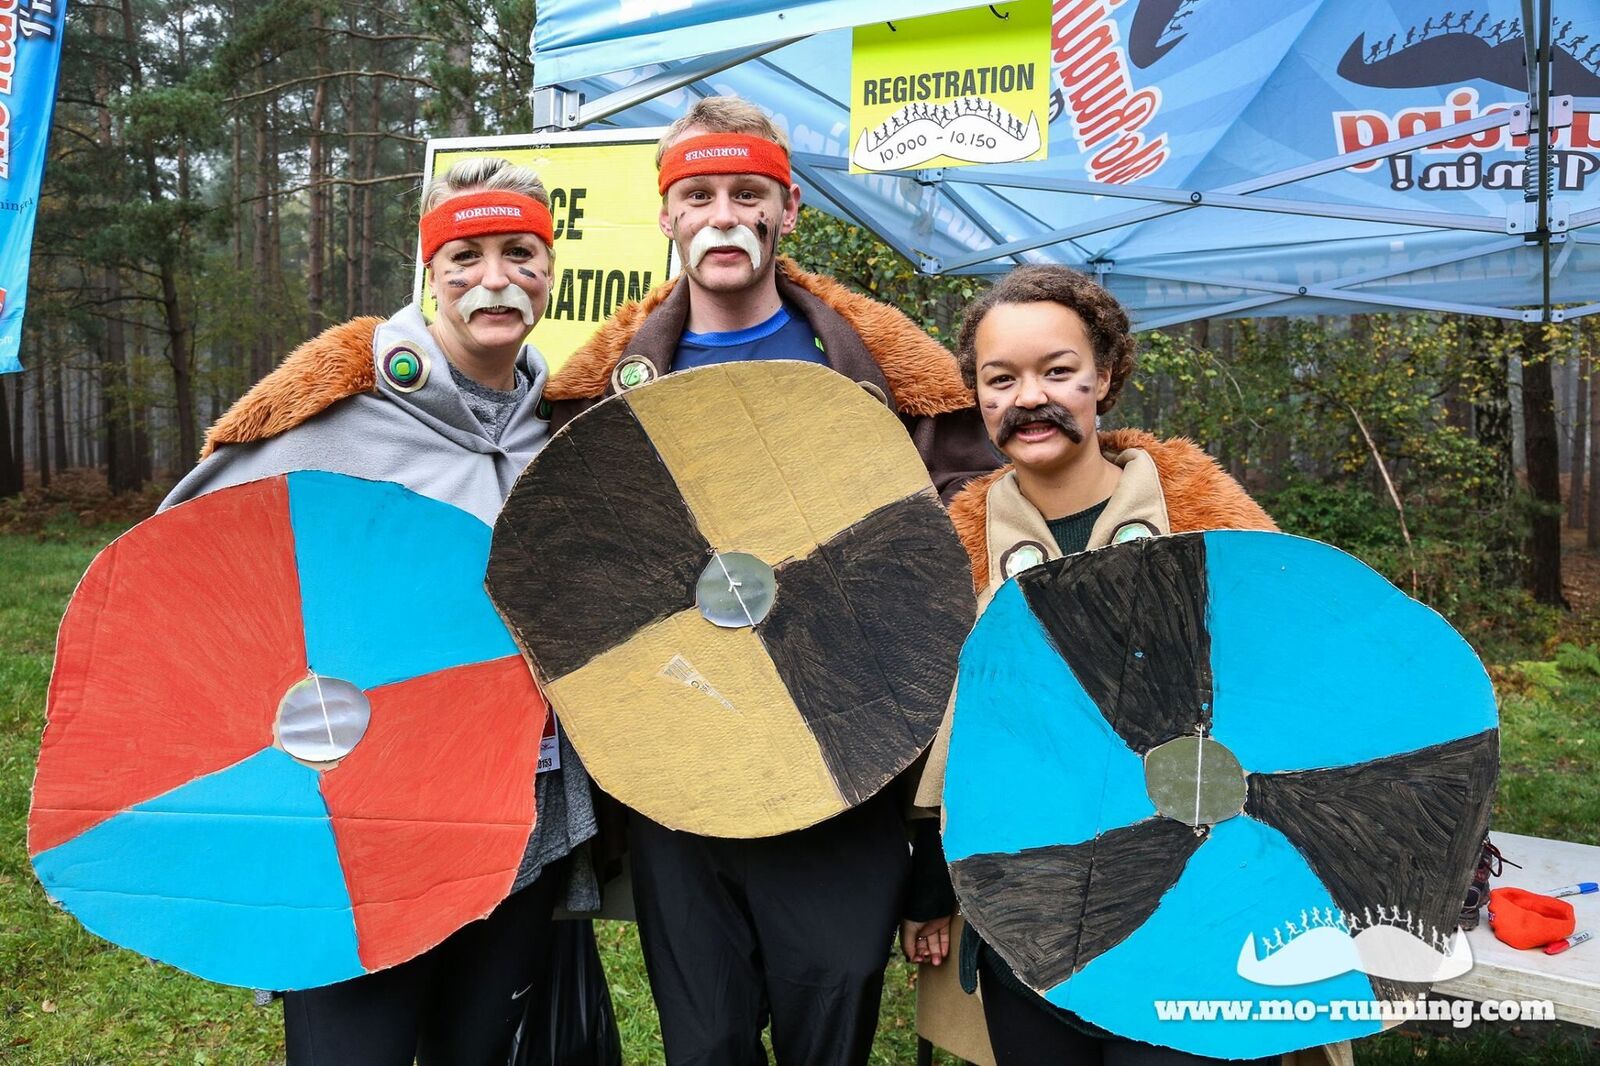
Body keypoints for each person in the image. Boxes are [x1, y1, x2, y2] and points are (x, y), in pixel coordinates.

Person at [541, 95, 996, 1065]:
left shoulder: (890, 379)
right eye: (697, 193)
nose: (722, 214)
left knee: (826, 1020)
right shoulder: (592, 394)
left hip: (845, 767)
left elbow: (965, 565)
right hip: (683, 765)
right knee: (704, 1044)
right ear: (665, 215)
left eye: (748, 192)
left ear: (787, 210)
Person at [162, 157, 600, 1066]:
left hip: (515, 805)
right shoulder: (342, 409)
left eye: (520, 252)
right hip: (366, 814)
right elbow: (182, 556)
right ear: (429, 273)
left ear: (549, 269)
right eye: (464, 256)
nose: (494, 278)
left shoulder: (558, 424)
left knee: (476, 1051)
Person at [907, 265, 1351, 1066]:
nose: (1027, 398)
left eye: (1057, 371)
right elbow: (952, 738)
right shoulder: (957, 548)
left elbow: (1299, 694)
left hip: (1194, 908)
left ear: (1104, 377)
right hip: (1030, 916)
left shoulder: (1208, 523)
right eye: (1000, 378)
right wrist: (933, 893)